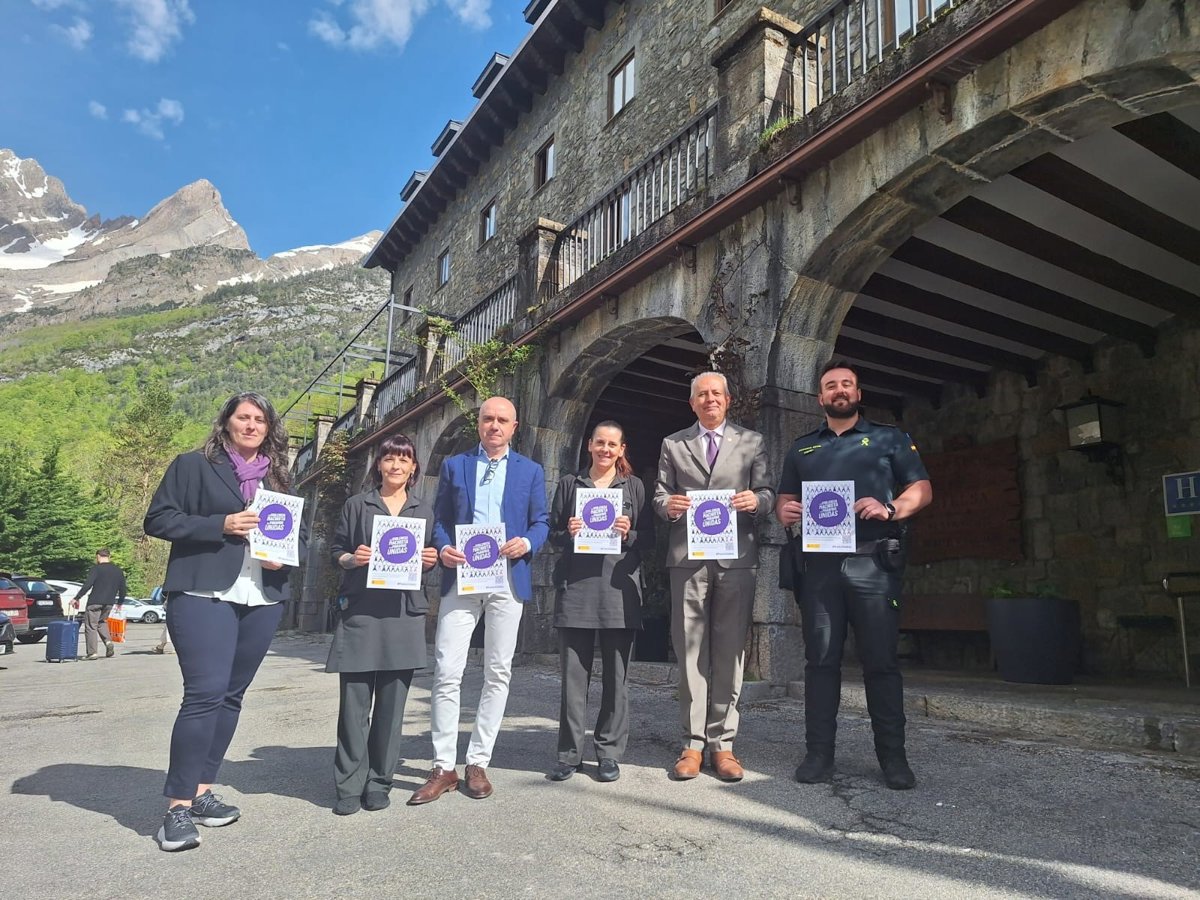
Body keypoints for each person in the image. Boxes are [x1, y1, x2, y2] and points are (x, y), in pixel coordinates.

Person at [143, 391, 306, 851]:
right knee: (204, 695)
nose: (251, 426)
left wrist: (283, 559)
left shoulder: (279, 478)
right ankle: (176, 808)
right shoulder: (193, 465)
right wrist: (221, 524)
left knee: (232, 696)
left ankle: (201, 792)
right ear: (227, 422)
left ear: (269, 429)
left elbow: (298, 537)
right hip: (203, 592)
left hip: (262, 596)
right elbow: (158, 519)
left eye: (260, 420)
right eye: (243, 417)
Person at [775, 360, 932, 790]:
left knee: (881, 663)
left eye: (847, 384)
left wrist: (890, 508)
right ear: (820, 397)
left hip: (873, 564)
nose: (839, 390)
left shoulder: (889, 438)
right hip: (819, 569)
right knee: (820, 663)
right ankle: (818, 755)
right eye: (831, 385)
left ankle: (893, 759)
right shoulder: (802, 448)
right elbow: (785, 499)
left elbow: (921, 488)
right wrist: (784, 510)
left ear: (858, 394)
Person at [408, 396, 550, 805]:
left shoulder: (531, 470)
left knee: (498, 671)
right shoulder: (456, 466)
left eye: (502, 420)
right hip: (463, 577)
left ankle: (478, 761)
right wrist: (444, 547)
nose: (494, 426)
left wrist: (527, 542)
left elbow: (541, 521)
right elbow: (440, 520)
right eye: (488, 418)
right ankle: (443, 766)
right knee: (446, 669)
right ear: (479, 423)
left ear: (514, 426)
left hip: (507, 578)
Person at [653, 372, 774, 782]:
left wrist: (755, 500)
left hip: (735, 559)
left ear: (728, 400)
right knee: (689, 653)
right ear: (692, 403)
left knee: (729, 652)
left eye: (717, 393)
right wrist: (669, 506)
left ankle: (723, 743)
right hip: (688, 560)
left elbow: (768, 493)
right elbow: (659, 495)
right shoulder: (673, 443)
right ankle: (692, 743)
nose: (710, 399)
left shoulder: (751, 441)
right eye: (702, 394)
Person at [327, 434, 438, 815]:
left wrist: (429, 560)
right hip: (361, 612)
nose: (396, 465)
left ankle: (379, 782)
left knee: (391, 710)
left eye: (404, 459)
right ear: (379, 464)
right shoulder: (357, 505)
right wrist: (351, 559)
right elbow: (336, 551)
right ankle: (348, 785)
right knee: (353, 707)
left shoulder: (423, 511)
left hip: (402, 614)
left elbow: (428, 559)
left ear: (413, 467)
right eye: (389, 458)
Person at [547, 420, 653, 784]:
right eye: (599, 443)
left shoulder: (633, 487)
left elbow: (650, 538)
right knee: (573, 681)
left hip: (618, 592)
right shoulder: (569, 484)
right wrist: (568, 532)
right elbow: (552, 535)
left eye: (612, 444)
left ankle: (608, 753)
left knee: (616, 679)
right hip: (576, 588)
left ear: (622, 450)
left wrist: (629, 533)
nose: (605, 449)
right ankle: (568, 754)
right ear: (589, 445)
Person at [75, 549, 127, 660]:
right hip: (109, 603)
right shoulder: (118, 570)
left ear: (98, 556)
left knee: (91, 626)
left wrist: (77, 598)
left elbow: (88, 584)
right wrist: (120, 602)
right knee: (101, 622)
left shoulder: (96, 569)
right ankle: (108, 642)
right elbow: (123, 588)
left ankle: (92, 653)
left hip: (94, 602)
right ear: (109, 556)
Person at [150, 585, 172, 654]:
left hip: (172, 610)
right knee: (170, 629)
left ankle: (161, 647)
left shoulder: (171, 588)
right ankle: (161, 647)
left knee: (169, 629)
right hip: (175, 610)